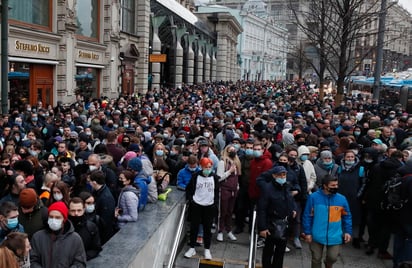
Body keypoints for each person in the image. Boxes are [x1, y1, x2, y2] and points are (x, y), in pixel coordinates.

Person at [303, 174, 352, 268]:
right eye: (333, 185)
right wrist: (307, 232)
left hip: (335, 235)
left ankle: (328, 264)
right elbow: (307, 215)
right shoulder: (313, 197)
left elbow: (347, 216)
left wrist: (348, 232)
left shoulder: (342, 199)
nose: (336, 187)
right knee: (316, 258)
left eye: (337, 185)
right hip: (317, 234)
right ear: (325, 186)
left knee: (332, 257)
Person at [256, 165, 297, 268]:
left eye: (284, 174)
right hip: (271, 224)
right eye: (280, 175)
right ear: (274, 176)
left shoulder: (286, 187)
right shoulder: (267, 188)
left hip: (284, 224)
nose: (283, 177)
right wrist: (262, 228)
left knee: (280, 252)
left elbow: (290, 199)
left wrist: (293, 209)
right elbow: (262, 209)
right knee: (268, 251)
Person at [30, 201, 87, 268]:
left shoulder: (75, 239)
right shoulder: (38, 237)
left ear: (64, 219)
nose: (53, 220)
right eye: (51, 217)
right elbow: (33, 260)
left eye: (57, 217)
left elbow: (80, 263)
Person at [184, 158, 219, 260]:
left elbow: (217, 191)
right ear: (201, 167)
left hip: (209, 206)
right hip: (197, 205)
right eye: (206, 167)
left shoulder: (215, 177)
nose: (208, 169)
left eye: (209, 167)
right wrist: (192, 200)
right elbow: (189, 189)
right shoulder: (195, 176)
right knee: (194, 227)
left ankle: (207, 249)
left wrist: (214, 203)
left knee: (207, 228)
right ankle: (192, 248)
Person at [216, 144, 241, 242]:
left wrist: (237, 186)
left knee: (230, 212)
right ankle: (220, 231)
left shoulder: (236, 162)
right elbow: (219, 178)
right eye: (231, 150)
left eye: (234, 150)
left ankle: (228, 230)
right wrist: (229, 172)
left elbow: (237, 177)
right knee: (223, 211)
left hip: (233, 190)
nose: (233, 152)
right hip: (224, 190)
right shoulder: (222, 162)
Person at [88, 170, 116, 244]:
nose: (89, 183)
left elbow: (105, 221)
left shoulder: (105, 197)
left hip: (104, 233)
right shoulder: (99, 192)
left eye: (90, 181)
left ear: (94, 183)